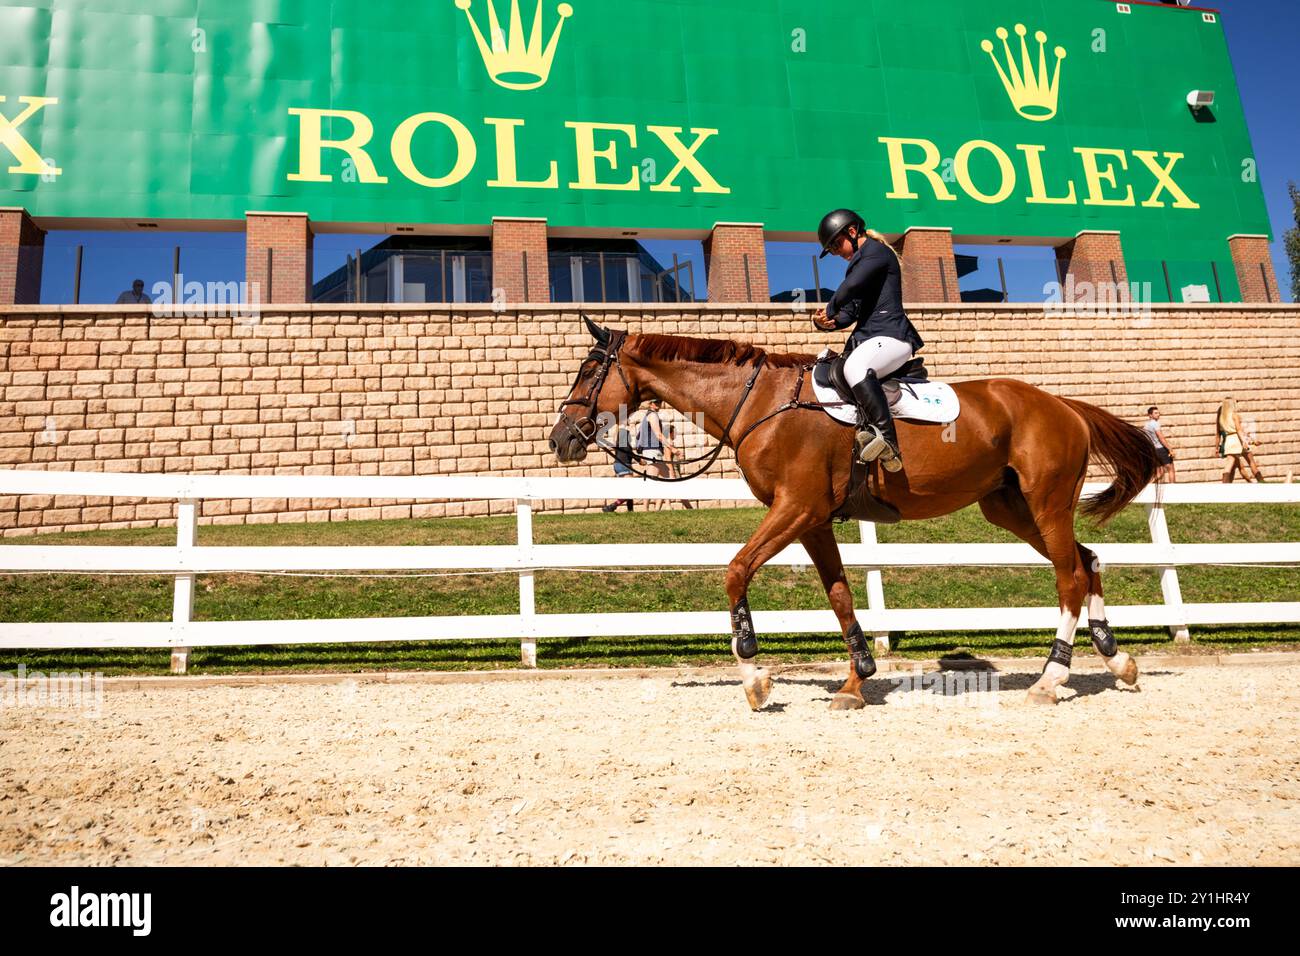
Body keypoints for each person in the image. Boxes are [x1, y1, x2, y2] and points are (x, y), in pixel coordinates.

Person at [811, 208, 924, 471]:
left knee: (855, 368)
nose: (837, 252)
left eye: (837, 244)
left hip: (893, 336)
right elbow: (851, 311)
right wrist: (828, 323)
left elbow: (849, 289)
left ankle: (889, 442)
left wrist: (829, 307)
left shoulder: (876, 252)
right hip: (871, 340)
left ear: (852, 232)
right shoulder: (859, 264)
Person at [1217, 398, 1265, 483]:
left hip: (1229, 440)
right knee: (1251, 462)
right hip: (1237, 440)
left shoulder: (1222, 418)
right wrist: (1245, 441)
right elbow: (1239, 430)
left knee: (1229, 464)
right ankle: (1261, 482)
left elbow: (1220, 432)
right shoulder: (1234, 415)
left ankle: (1225, 485)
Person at [601, 423, 635, 512]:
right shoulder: (626, 445)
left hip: (617, 466)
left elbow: (615, 435)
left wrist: (618, 424)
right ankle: (612, 506)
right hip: (625, 466)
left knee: (628, 489)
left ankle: (630, 511)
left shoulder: (617, 443)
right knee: (631, 490)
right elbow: (632, 455)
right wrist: (641, 461)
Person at [1143, 406, 1176, 482]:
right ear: (1150, 415)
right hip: (1161, 449)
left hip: (1154, 450)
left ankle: (1148, 485)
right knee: (1171, 469)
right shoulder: (1155, 423)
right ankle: (1174, 490)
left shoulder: (1146, 425)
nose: (1158, 414)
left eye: (1158, 413)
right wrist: (1169, 448)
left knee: (1160, 472)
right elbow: (1161, 437)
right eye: (1156, 413)